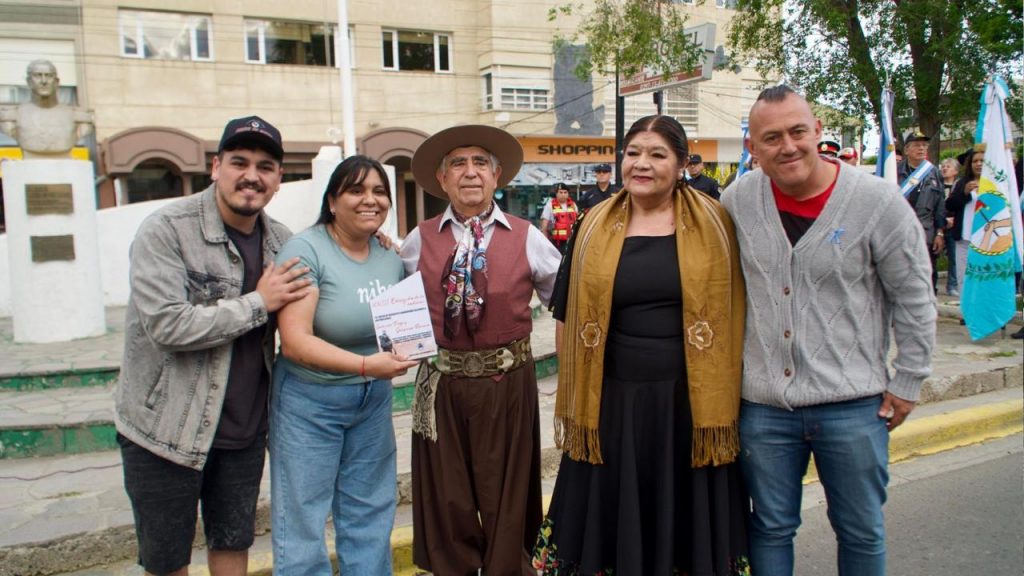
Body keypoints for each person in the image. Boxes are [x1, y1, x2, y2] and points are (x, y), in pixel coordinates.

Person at [721, 85, 936, 576]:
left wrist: (909, 380)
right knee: (770, 528)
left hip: (853, 405)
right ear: (752, 148)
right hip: (764, 408)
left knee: (860, 530)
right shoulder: (737, 203)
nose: (788, 146)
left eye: (798, 131)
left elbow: (915, 297)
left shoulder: (876, 202)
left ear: (818, 132)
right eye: (771, 137)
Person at [533, 115, 750, 575]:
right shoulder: (593, 223)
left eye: (657, 154)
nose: (642, 164)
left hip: (688, 406)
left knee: (681, 520)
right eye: (633, 153)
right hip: (611, 403)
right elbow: (566, 310)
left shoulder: (716, 223)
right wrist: (568, 389)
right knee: (611, 521)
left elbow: (739, 305)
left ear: (681, 162)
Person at [114, 116, 311, 576]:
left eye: (265, 167)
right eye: (239, 162)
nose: (251, 175)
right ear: (216, 167)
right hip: (165, 431)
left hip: (243, 431)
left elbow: (321, 301)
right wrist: (258, 302)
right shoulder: (166, 230)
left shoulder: (283, 242)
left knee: (232, 545)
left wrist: (376, 245)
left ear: (279, 180)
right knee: (167, 562)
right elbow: (168, 325)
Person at [400, 124, 562, 575]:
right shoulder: (419, 241)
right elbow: (395, 304)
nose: (469, 173)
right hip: (441, 387)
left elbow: (566, 299)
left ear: (496, 176)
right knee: (447, 498)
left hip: (507, 385)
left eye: (479, 164)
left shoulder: (528, 236)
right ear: (443, 178)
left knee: (505, 499)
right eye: (458, 163)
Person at [269, 155, 419, 575]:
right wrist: (368, 366)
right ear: (333, 201)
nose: (369, 200)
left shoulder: (389, 254)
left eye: (378, 192)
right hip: (309, 401)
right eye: (356, 190)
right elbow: (296, 342)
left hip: (371, 401)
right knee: (301, 521)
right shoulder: (305, 250)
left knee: (370, 512)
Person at [0, 59, 93, 157]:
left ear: (57, 82)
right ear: (29, 82)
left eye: (49, 76)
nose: (44, 81)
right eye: (38, 76)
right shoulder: (12, 117)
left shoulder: (79, 118)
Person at [898, 130, 947, 293]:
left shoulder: (934, 173)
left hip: (926, 232)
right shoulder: (895, 171)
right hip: (899, 232)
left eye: (924, 145)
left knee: (926, 275)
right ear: (906, 150)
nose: (921, 148)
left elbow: (940, 206)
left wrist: (940, 233)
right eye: (917, 145)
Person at [946, 147, 984, 305]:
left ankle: (983, 309)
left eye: (982, 161)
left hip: (986, 238)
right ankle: (967, 309)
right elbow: (950, 205)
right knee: (964, 276)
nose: (979, 164)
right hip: (965, 237)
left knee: (983, 277)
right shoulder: (962, 183)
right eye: (975, 161)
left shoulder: (995, 183)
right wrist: (964, 194)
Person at [939, 157, 962, 296]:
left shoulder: (959, 186)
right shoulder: (936, 184)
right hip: (940, 225)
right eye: (943, 166)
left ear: (955, 171)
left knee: (954, 258)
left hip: (954, 226)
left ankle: (952, 285)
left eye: (948, 166)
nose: (944, 168)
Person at [539, 181, 579, 253]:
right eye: (560, 192)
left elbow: (577, 223)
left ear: (568, 194)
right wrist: (546, 243)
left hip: (572, 241)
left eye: (565, 192)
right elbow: (544, 226)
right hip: (557, 242)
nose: (563, 195)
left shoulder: (573, 205)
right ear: (556, 194)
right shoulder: (550, 205)